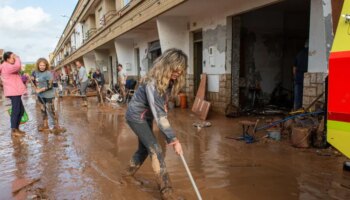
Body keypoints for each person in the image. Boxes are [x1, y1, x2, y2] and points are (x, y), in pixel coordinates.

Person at [123, 48, 187, 199]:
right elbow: (159, 115)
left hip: (146, 116)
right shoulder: (152, 82)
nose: (178, 72)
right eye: (175, 68)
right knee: (155, 150)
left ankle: (126, 175)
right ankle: (167, 192)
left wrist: (162, 105)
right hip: (136, 117)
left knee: (144, 149)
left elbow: (159, 107)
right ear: (167, 65)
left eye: (181, 70)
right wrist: (173, 140)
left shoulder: (168, 81)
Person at [33, 58, 65, 133]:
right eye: (40, 65)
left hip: (49, 94)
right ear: (38, 65)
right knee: (43, 109)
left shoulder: (48, 73)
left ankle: (56, 125)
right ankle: (45, 125)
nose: (42, 67)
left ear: (46, 65)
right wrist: (35, 87)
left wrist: (40, 89)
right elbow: (36, 82)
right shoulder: (36, 72)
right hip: (40, 95)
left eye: (44, 65)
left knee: (51, 110)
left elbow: (50, 86)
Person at [0, 52, 27, 136]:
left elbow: (17, 68)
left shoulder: (8, 65)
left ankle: (17, 128)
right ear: (7, 59)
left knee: (21, 110)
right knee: (16, 110)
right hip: (13, 91)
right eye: (12, 57)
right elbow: (18, 66)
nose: (14, 58)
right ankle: (14, 130)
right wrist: (18, 58)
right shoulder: (6, 66)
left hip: (15, 91)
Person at [293, 40, 309, 110]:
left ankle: (296, 108)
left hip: (298, 76)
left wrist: (295, 76)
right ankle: (303, 108)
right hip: (306, 76)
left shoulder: (299, 54)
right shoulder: (310, 53)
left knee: (297, 93)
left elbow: (294, 67)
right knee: (306, 93)